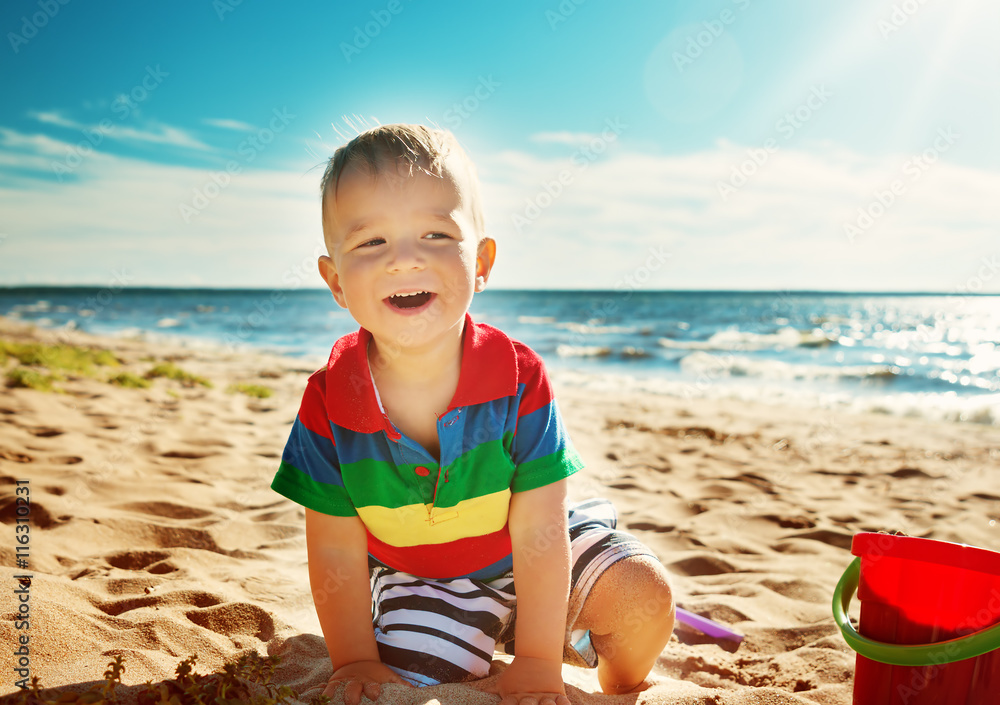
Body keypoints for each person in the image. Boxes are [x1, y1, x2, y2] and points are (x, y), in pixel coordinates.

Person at [271, 124, 675, 705]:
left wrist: (537, 663)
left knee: (645, 596)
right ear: (335, 280)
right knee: (413, 684)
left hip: (528, 551)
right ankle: (474, 637)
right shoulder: (330, 400)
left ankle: (616, 681)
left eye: (436, 233)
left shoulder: (517, 378)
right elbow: (334, 546)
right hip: (421, 578)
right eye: (370, 243)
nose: (404, 259)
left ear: (481, 260)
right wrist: (356, 658)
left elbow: (540, 527)